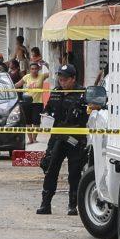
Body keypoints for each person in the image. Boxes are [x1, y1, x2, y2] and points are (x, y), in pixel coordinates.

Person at [36, 64, 88, 215]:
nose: (62, 82)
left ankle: (73, 205)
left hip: (75, 138)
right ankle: (45, 204)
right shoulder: (56, 93)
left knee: (74, 173)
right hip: (57, 137)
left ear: (73, 79)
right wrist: (46, 117)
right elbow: (48, 110)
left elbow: (88, 115)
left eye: (65, 79)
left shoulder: (82, 94)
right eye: (60, 79)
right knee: (50, 169)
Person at [19, 60, 50, 128]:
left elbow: (51, 73)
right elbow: (17, 85)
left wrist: (46, 64)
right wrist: (7, 88)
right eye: (32, 69)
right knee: (28, 122)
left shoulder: (41, 76)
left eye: (36, 69)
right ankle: (30, 136)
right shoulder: (27, 77)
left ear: (38, 69)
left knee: (36, 122)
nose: (34, 70)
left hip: (38, 103)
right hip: (27, 102)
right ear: (30, 70)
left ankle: (35, 135)